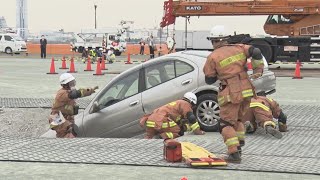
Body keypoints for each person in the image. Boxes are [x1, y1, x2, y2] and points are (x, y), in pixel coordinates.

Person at [203, 25, 265, 163]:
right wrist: (258, 69)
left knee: (225, 124)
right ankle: (239, 144)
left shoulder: (213, 57)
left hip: (231, 92)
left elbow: (209, 79)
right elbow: (256, 51)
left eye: (213, 41)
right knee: (237, 120)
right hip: (247, 89)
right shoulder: (240, 47)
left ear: (216, 41)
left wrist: (220, 73)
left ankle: (233, 153)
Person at [49, 73, 99, 138]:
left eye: (73, 83)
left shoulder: (68, 92)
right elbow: (77, 93)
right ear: (65, 85)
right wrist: (89, 90)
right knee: (66, 136)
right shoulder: (62, 93)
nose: (73, 85)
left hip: (65, 117)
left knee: (71, 132)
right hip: (57, 117)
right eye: (71, 83)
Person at [140, 92, 205, 139]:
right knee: (179, 132)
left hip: (151, 120)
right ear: (191, 101)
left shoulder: (176, 103)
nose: (192, 107)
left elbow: (175, 119)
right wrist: (198, 131)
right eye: (193, 105)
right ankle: (162, 136)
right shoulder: (185, 103)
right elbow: (191, 118)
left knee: (149, 138)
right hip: (161, 120)